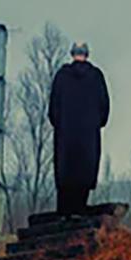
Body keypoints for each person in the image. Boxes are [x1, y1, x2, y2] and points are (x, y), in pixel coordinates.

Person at [47, 40, 110, 216]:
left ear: (72, 54)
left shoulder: (61, 77)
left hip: (65, 141)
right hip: (88, 141)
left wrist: (62, 125)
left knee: (65, 186)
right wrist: (93, 125)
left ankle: (64, 217)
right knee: (83, 184)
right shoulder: (96, 77)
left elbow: (53, 111)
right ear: (87, 55)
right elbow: (104, 110)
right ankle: (80, 214)